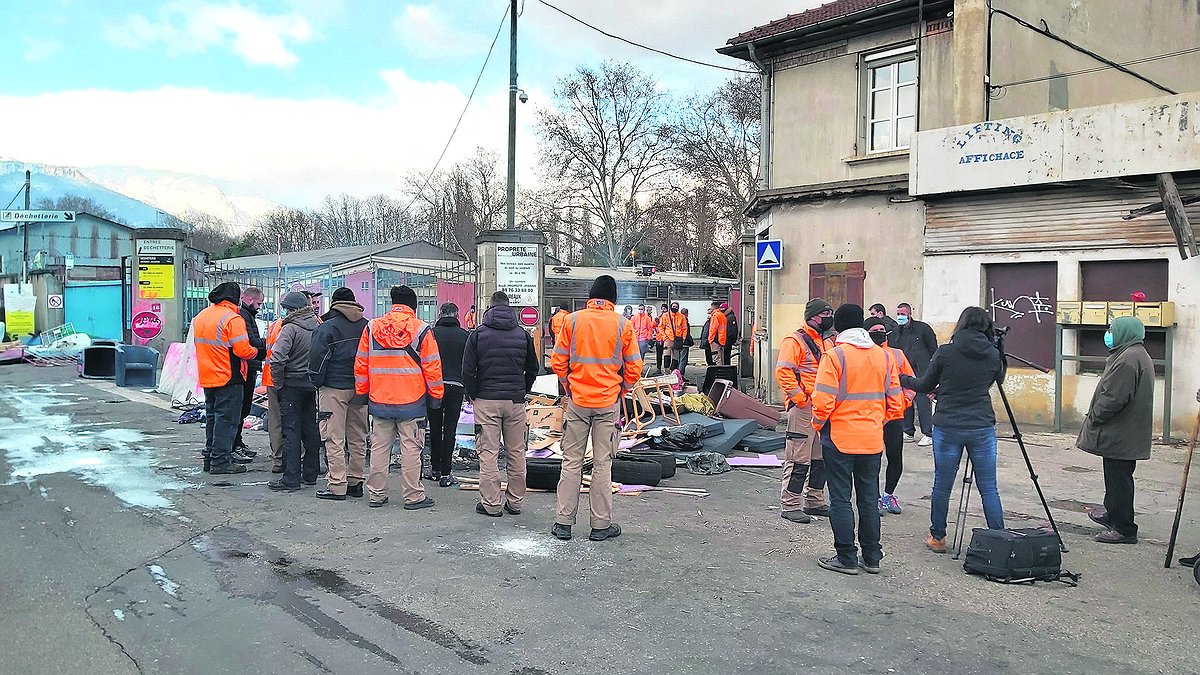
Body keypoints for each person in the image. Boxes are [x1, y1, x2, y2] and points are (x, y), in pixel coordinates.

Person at [901, 306, 1006, 553]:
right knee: (989, 486)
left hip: (948, 424)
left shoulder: (946, 352)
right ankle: (999, 539)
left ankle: (938, 538)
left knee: (943, 484)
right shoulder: (992, 354)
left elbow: (925, 383)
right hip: (981, 424)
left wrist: (903, 379)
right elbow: (996, 380)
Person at [811, 304, 904, 575]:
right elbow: (896, 402)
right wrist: (878, 422)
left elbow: (822, 401)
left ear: (837, 327)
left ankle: (846, 557)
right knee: (868, 498)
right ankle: (872, 557)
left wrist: (819, 427)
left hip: (839, 439)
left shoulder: (835, 356)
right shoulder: (884, 357)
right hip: (872, 440)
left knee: (840, 499)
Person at [551, 275, 642, 541]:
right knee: (603, 464)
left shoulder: (572, 320)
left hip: (578, 402)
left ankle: (563, 523)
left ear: (591, 296)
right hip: (607, 403)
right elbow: (634, 367)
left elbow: (558, 362)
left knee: (571, 462)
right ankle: (600, 526)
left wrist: (569, 387)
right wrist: (620, 391)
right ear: (613, 299)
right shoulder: (622, 325)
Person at [354, 285, 443, 509]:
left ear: (392, 303)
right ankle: (413, 496)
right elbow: (432, 367)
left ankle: (376, 494)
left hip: (380, 399)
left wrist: (363, 393)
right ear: (414, 305)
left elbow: (361, 364)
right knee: (411, 449)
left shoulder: (372, 327)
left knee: (379, 448)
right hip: (412, 402)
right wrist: (436, 396)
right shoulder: (421, 329)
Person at [1077, 316, 1154, 545]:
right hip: (1123, 432)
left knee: (1119, 479)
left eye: (1112, 329)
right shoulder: (1132, 354)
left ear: (1124, 332)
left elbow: (1114, 398)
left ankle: (1124, 528)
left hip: (1121, 432)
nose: (1109, 333)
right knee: (1115, 476)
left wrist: (1095, 417)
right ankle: (1113, 514)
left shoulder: (1128, 359)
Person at [463, 291, 539, 517]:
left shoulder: (478, 334)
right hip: (514, 402)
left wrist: (474, 394)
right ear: (510, 308)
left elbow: (468, 370)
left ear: (489, 308)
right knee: (516, 452)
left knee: (488, 453)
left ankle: (492, 504)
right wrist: (521, 390)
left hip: (486, 401)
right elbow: (533, 368)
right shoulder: (522, 335)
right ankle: (515, 502)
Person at [774, 298, 835, 524]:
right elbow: (783, 373)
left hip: (822, 407)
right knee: (799, 458)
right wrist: (800, 399)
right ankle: (790, 504)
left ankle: (815, 501)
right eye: (825, 314)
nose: (829, 318)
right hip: (804, 407)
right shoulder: (795, 340)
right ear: (812, 316)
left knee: (820, 458)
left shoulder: (827, 342)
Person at [195, 282, 265, 474]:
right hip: (229, 375)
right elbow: (243, 350)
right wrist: (260, 352)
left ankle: (210, 457)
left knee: (213, 418)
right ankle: (221, 462)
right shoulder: (232, 319)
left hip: (208, 375)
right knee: (227, 420)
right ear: (233, 297)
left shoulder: (203, 316)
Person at [310, 287, 369, 500]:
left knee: (333, 437)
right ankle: (356, 481)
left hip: (334, 387)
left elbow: (317, 361)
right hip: (361, 388)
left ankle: (337, 484)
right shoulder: (367, 326)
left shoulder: (327, 328)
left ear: (334, 304)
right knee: (358, 435)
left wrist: (317, 382)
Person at [267, 292, 321, 492]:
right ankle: (311, 473)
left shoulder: (290, 328)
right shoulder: (317, 325)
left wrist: (279, 383)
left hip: (291, 385)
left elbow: (278, 358)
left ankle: (291, 478)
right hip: (310, 384)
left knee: (291, 430)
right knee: (310, 428)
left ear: (290, 309)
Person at [866, 317, 915, 515]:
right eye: (874, 329)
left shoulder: (897, 354)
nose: (879, 332)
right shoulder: (863, 354)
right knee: (873, 460)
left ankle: (888, 495)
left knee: (895, 458)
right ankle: (875, 497)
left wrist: (901, 405)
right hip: (872, 416)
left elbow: (910, 385)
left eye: (881, 329)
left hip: (894, 416)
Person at [429, 302, 468, 488]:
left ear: (440, 314)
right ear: (457, 315)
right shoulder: (465, 336)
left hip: (434, 387)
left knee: (435, 428)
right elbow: (469, 364)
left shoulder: (431, 334)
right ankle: (446, 473)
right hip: (457, 386)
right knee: (450, 428)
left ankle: (435, 468)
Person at [891, 302, 938, 446]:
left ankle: (928, 433)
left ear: (910, 314)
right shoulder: (895, 331)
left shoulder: (923, 328)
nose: (900, 317)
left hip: (922, 372)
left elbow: (933, 349)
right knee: (906, 402)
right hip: (904, 372)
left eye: (903, 314)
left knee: (923, 402)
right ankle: (908, 431)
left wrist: (933, 369)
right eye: (898, 314)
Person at [233, 286, 266, 463]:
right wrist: (268, 344)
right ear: (250, 300)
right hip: (245, 366)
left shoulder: (246, 315)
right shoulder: (243, 316)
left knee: (243, 408)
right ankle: (235, 445)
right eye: (259, 303)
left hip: (248, 366)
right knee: (240, 409)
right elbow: (250, 341)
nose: (260, 306)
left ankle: (237, 443)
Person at [261, 313, 285, 473]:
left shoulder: (274, 325)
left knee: (275, 421)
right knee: (294, 421)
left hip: (271, 377)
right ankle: (295, 459)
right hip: (285, 380)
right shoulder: (290, 327)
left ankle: (278, 459)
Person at [663, 302, 688, 373]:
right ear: (671, 307)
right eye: (673, 306)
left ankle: (673, 371)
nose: (675, 308)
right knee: (666, 356)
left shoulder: (682, 317)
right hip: (668, 338)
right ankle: (666, 372)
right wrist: (664, 337)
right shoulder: (666, 315)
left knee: (675, 357)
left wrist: (682, 338)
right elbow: (661, 327)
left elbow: (684, 328)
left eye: (676, 307)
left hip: (678, 339)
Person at [708, 301, 728, 366]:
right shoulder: (723, 315)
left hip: (715, 340)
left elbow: (713, 329)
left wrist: (710, 340)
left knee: (716, 358)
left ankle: (719, 373)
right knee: (721, 358)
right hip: (722, 339)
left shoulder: (715, 316)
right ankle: (722, 373)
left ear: (713, 307)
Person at [654, 303, 670, 374]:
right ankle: (658, 368)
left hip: (666, 339)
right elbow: (653, 325)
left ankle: (666, 369)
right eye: (662, 308)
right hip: (659, 339)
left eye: (664, 308)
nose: (663, 310)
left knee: (667, 355)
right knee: (659, 354)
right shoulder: (659, 318)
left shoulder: (669, 318)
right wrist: (657, 318)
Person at [679, 308, 694, 379]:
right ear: (686, 314)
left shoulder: (677, 320)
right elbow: (687, 333)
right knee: (683, 360)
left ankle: (677, 374)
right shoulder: (685, 321)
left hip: (678, 342)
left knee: (678, 359)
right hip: (684, 343)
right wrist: (690, 341)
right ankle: (681, 375)